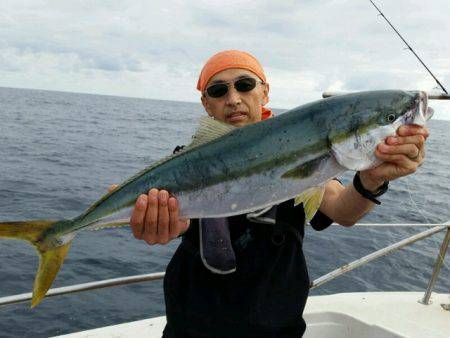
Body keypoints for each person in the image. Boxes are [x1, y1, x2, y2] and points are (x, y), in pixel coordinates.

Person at [120, 50, 429, 337]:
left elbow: (343, 210)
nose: (233, 98)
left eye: (244, 85)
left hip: (276, 323)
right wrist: (160, 226)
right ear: (206, 104)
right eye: (219, 91)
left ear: (264, 91)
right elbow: (178, 221)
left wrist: (371, 180)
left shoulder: (301, 147)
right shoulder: (185, 162)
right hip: (193, 322)